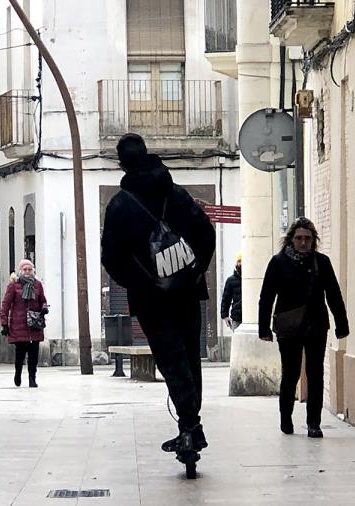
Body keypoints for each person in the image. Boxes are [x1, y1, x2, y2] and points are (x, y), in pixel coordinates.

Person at [101, 133, 216, 453]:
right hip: (189, 293)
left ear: (122, 163)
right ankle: (190, 426)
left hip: (152, 300)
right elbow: (206, 235)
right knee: (190, 358)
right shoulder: (177, 195)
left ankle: (191, 427)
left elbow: (111, 258)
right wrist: (193, 273)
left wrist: (143, 282)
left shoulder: (120, 206)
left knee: (171, 359)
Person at [258, 217, 349, 438]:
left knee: (315, 374)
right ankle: (286, 418)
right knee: (290, 374)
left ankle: (313, 423)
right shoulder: (278, 263)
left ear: (313, 240)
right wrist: (264, 329)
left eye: (307, 238)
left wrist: (341, 325)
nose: (303, 242)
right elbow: (266, 297)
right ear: (291, 240)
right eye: (299, 238)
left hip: (316, 325)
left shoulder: (322, 263)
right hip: (288, 328)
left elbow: (334, 295)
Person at [0, 259, 48, 388]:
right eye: (24, 270)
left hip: (34, 325)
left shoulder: (37, 285)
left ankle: (32, 378)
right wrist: (4, 323)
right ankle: (18, 374)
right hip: (18, 325)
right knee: (20, 354)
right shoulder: (13, 285)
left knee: (33, 355)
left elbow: (42, 299)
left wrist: (44, 308)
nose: (27, 272)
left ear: (32, 271)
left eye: (29, 270)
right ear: (20, 271)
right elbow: (6, 304)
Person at [221, 252, 242, 331]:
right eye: (239, 261)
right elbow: (225, 299)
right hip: (237, 318)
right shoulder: (230, 280)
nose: (241, 263)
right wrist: (225, 316)